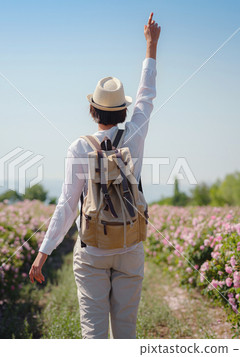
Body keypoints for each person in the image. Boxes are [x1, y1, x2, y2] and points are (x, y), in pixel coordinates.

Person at [29, 12, 160, 339]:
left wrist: (44, 252)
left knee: (94, 335)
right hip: (130, 245)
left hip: (92, 250)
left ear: (93, 110)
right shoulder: (135, 135)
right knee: (126, 331)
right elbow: (147, 95)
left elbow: (67, 204)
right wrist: (151, 45)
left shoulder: (79, 147)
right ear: (124, 111)